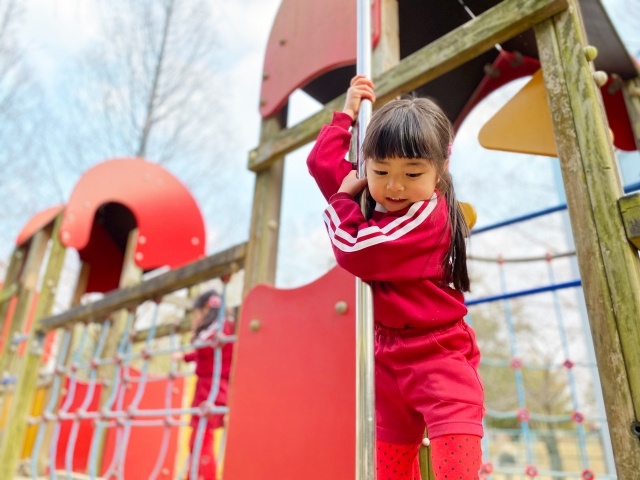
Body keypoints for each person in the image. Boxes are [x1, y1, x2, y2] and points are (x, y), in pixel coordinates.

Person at [307, 75, 484, 480]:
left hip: (438, 356)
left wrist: (342, 199)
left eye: (412, 173)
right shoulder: (372, 197)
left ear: (440, 171)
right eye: (381, 170)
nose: (395, 186)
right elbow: (322, 163)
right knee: (388, 469)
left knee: (455, 470)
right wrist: (347, 112)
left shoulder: (426, 216)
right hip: (387, 360)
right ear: (367, 165)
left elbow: (355, 250)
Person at [174, 290, 234, 480]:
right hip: (206, 386)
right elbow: (202, 354)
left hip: (214, 388)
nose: (196, 318)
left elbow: (205, 348)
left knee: (203, 438)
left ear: (207, 308)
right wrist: (185, 356)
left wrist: (194, 332)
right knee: (198, 439)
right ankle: (195, 475)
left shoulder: (222, 326)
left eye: (197, 314)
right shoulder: (216, 328)